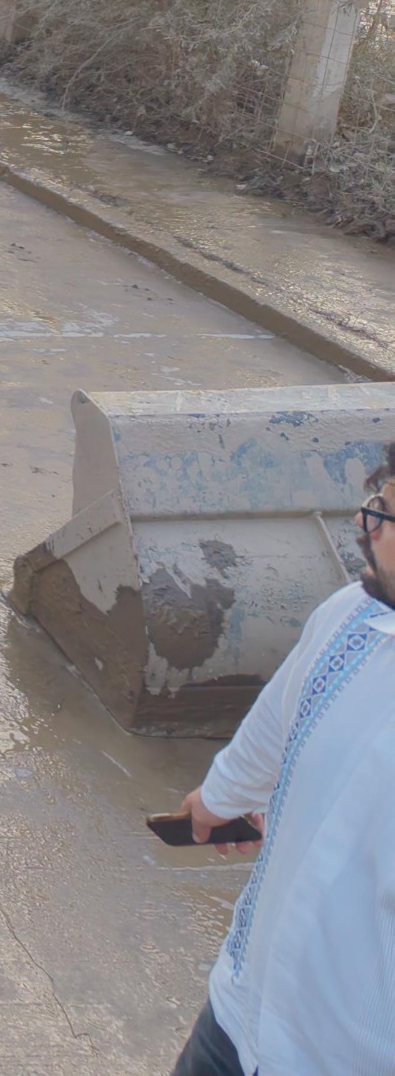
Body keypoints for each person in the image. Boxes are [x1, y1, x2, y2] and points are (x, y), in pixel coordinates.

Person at [160, 446, 394, 1076]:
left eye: (386, 516)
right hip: (241, 1015)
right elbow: (276, 723)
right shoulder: (352, 616)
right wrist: (220, 801)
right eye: (377, 502)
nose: (364, 527)